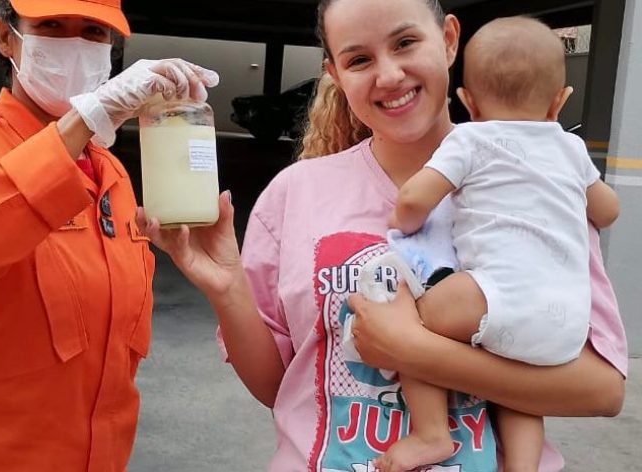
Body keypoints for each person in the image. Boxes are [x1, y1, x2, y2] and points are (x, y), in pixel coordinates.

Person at [138, 0, 627, 471]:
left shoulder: (542, 188)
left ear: (449, 40)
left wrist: (414, 352)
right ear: (334, 74)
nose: (389, 75)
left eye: (406, 42)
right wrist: (227, 288)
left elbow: (602, 389)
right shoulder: (295, 192)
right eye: (359, 59)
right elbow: (280, 388)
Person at [0, 0, 217, 470]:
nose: (74, 44)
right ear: (6, 37)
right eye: (52, 25)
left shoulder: (110, 175)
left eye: (93, 32)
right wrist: (86, 118)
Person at [380, 16, 620, 472]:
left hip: (495, 295)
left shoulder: (470, 138)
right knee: (518, 386)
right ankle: (522, 467)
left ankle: (431, 433)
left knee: (411, 325)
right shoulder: (569, 148)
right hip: (565, 324)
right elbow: (607, 211)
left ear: (467, 101)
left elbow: (414, 198)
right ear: (560, 100)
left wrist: (403, 220)